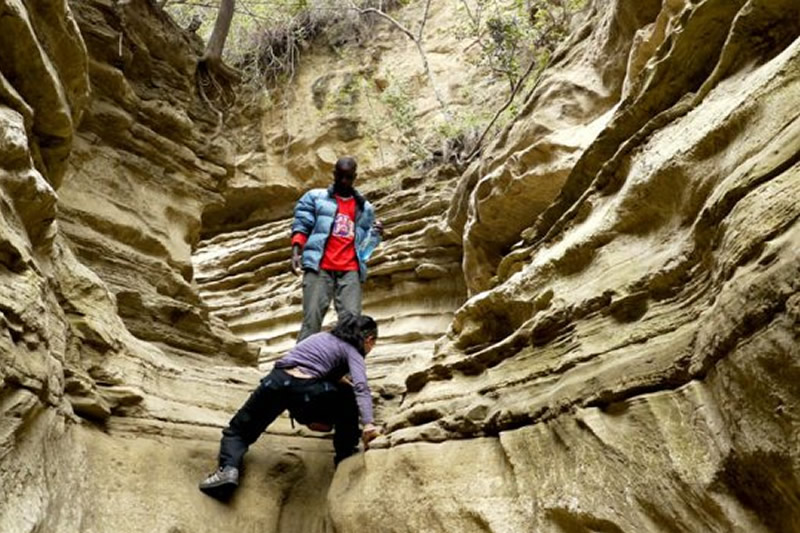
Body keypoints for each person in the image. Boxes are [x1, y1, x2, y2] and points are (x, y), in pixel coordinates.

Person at [199, 314, 382, 500]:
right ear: (369, 339)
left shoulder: (319, 337)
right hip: (308, 391)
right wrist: (368, 424)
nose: (370, 349)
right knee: (347, 396)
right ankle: (345, 455)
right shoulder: (353, 350)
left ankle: (227, 470)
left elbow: (307, 369)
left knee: (238, 432)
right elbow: (361, 387)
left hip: (275, 382)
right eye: (373, 345)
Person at [290, 156, 382, 341]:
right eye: (340, 176)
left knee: (353, 324)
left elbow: (364, 248)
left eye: (348, 177)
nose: (344, 181)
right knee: (312, 320)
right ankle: (300, 366)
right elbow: (302, 224)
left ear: (355, 177)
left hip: (350, 270)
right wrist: (296, 251)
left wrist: (376, 236)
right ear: (334, 174)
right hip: (319, 267)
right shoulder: (315, 198)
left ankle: (344, 368)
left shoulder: (365, 208)